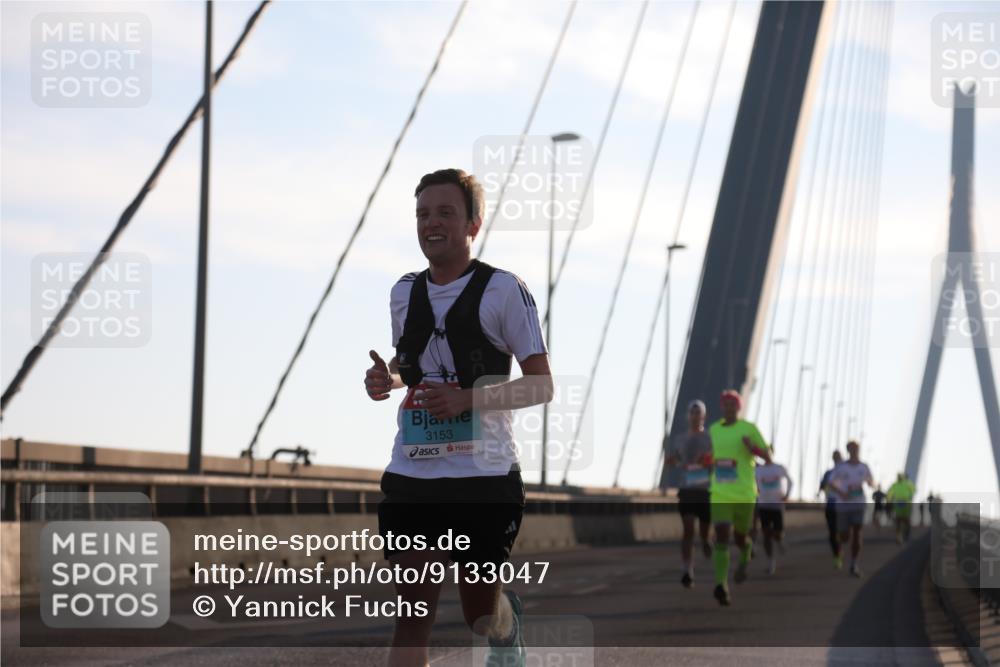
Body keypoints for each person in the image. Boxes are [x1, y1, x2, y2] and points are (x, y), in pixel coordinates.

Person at [365, 169, 552, 667]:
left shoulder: (503, 290)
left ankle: (505, 629)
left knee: (479, 616)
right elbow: (414, 367)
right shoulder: (404, 292)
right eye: (423, 214)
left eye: (446, 213)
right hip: (414, 473)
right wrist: (391, 379)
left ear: (473, 224)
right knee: (412, 615)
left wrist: (466, 400)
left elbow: (541, 384)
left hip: (483, 477)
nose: (432, 224)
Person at [707, 389, 772, 606]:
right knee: (722, 535)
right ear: (721, 407)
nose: (728, 408)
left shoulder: (749, 429)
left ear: (739, 407)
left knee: (740, 538)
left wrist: (752, 448)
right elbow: (709, 457)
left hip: (744, 493)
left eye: (732, 405)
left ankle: (745, 554)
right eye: (725, 404)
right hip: (720, 493)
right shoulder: (713, 430)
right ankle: (721, 585)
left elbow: (768, 457)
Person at [666, 399, 714, 588]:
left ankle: (706, 541)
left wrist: (707, 461)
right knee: (688, 530)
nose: (695, 416)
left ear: (704, 416)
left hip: (704, 490)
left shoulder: (710, 438)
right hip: (686, 489)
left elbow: (716, 460)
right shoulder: (679, 439)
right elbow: (675, 459)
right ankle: (688, 570)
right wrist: (672, 461)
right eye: (692, 413)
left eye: (698, 413)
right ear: (688, 416)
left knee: (702, 532)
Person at [829, 440, 875, 577]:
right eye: (852, 449)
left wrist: (871, 483)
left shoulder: (864, 467)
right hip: (843, 505)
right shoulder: (841, 467)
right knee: (845, 536)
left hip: (859, 504)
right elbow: (831, 483)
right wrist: (841, 492)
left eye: (857, 449)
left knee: (857, 532)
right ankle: (841, 548)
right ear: (848, 450)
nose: (855, 451)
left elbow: (871, 480)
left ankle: (854, 564)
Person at [754, 451, 793, 575]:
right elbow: (752, 483)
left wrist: (787, 495)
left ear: (772, 453)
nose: (765, 455)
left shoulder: (779, 468)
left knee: (777, 533)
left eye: (767, 453)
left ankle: (780, 540)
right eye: (763, 453)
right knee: (766, 534)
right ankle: (770, 562)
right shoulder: (758, 470)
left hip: (777, 505)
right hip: (763, 504)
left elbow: (790, 481)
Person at [818, 451, 844, 568]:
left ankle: (839, 550)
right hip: (831, 505)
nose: (837, 460)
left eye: (838, 457)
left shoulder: (846, 472)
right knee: (833, 533)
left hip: (844, 506)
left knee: (842, 532)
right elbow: (822, 486)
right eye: (835, 458)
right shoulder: (828, 473)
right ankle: (837, 556)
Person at [887, 473, 916, 544]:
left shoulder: (907, 484)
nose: (900, 477)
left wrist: (889, 500)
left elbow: (913, 490)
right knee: (899, 520)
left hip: (905, 503)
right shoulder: (896, 484)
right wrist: (889, 500)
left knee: (905, 519)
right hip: (900, 503)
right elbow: (890, 493)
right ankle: (899, 536)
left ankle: (905, 533)